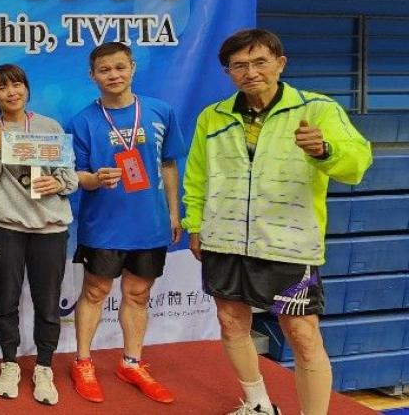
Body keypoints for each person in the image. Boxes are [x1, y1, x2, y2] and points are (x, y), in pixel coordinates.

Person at [182, 29, 372, 415]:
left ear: (280, 64)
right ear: (228, 72)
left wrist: (325, 150)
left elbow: (357, 163)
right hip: (224, 239)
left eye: (260, 62)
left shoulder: (317, 109)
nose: (250, 72)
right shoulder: (212, 117)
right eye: (239, 65)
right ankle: (258, 404)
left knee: (302, 334)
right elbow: (197, 175)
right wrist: (195, 224)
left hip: (289, 244)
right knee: (230, 322)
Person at [65, 42, 184, 405]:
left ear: (132, 67)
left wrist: (174, 212)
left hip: (150, 224)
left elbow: (168, 164)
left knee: (138, 294)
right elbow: (74, 176)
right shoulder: (82, 121)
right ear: (92, 76)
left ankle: (131, 362)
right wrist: (95, 179)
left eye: (119, 67)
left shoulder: (160, 112)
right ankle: (83, 362)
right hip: (103, 225)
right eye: (104, 70)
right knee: (95, 292)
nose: (113, 75)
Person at [0, 64, 77, 406]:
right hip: (6, 227)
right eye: (2, 88)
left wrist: (56, 183)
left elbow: (71, 178)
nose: (12, 92)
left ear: (27, 89)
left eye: (17, 85)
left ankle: (44, 367)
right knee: (5, 300)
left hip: (50, 228)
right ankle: (9, 363)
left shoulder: (49, 127)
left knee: (48, 303)